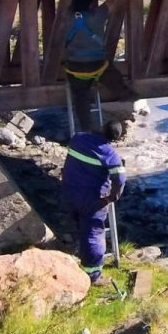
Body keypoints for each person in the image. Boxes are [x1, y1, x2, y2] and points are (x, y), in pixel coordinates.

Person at [60, 119, 127, 285]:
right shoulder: (110, 154)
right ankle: (92, 274)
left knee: (80, 225)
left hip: (69, 192)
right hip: (92, 199)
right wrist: (113, 197)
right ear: (115, 139)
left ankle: (82, 254)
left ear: (102, 128)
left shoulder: (78, 138)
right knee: (93, 233)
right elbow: (120, 179)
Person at [63, 0, 113, 133]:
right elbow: (112, 1)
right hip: (97, 66)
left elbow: (70, 6)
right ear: (91, 3)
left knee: (80, 95)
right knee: (111, 73)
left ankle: (86, 129)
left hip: (75, 67)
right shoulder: (98, 15)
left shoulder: (67, 16)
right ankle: (126, 93)